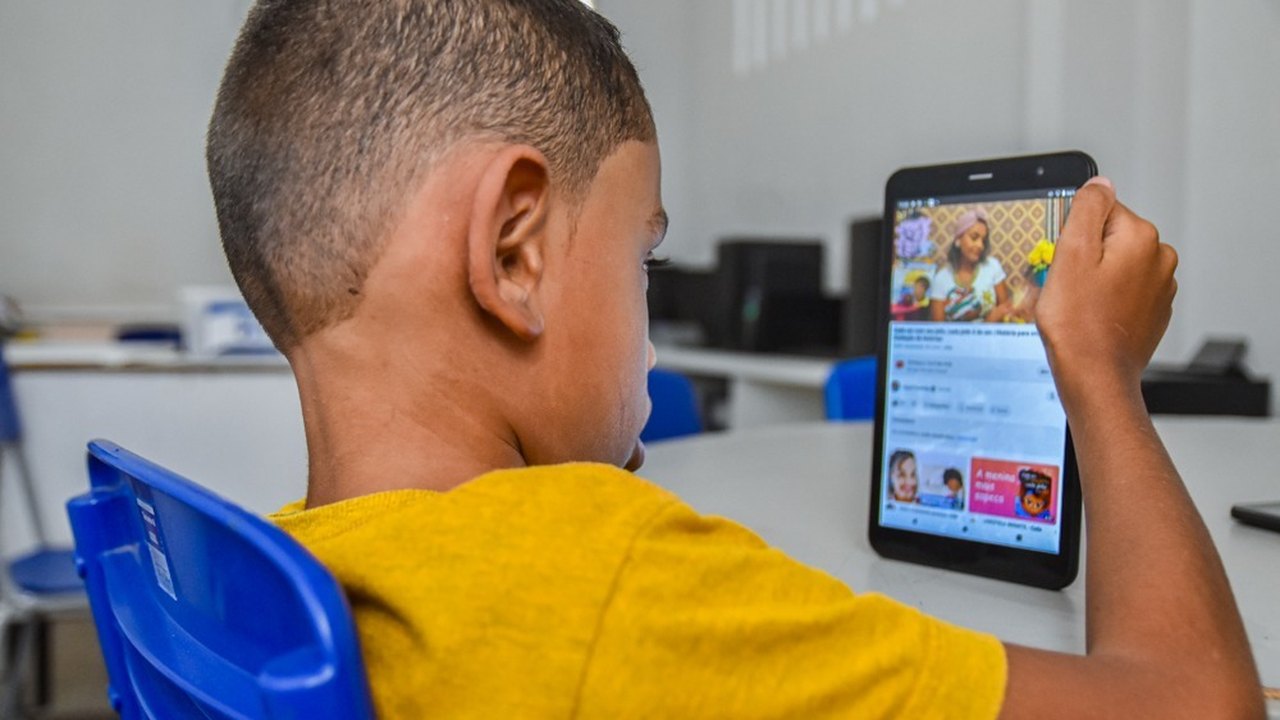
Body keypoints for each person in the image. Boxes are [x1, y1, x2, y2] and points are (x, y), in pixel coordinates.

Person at [205, 1, 1263, 717]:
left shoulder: (264, 571)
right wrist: (1100, 372)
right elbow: (1194, 705)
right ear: (513, 252)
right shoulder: (613, 585)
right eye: (645, 258)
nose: (650, 315)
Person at [930, 209, 1015, 322]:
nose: (980, 245)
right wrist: (988, 322)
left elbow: (1005, 311)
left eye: (983, 240)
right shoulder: (941, 279)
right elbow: (938, 329)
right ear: (958, 240)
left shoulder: (992, 267)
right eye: (974, 238)